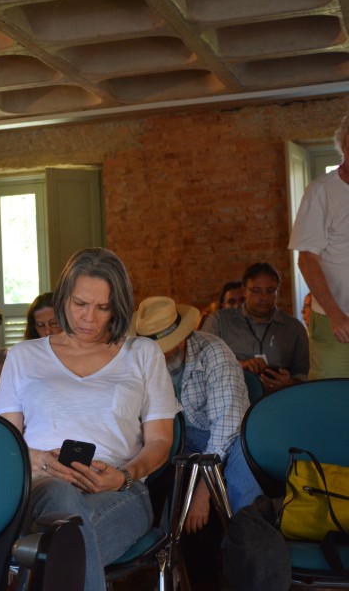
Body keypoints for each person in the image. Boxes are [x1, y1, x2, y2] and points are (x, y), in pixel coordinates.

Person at [0, 247, 179, 591]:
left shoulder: (142, 353)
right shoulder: (23, 356)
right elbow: (4, 441)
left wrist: (124, 475)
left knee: (52, 547)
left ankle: (24, 571)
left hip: (120, 492)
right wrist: (41, 461)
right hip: (39, 488)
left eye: (102, 307)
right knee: (61, 500)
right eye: (80, 304)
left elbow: (160, 441)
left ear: (118, 307)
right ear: (64, 298)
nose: (88, 318)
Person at [134, 296, 262, 522]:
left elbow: (227, 427)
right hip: (173, 437)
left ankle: (243, 542)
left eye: (165, 347)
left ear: (182, 338)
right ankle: (161, 547)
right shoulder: (139, 360)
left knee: (243, 465)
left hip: (223, 436)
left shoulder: (214, 353)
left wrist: (203, 493)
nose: (159, 355)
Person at [288, 113, 349, 378]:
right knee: (332, 401)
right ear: (345, 143)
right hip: (334, 318)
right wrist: (335, 315)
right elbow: (307, 260)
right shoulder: (321, 191)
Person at [202, 262, 309, 393]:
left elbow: (305, 373)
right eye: (256, 291)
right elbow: (202, 363)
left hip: (279, 400)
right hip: (230, 400)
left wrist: (288, 383)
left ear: (278, 291)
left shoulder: (293, 328)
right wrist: (241, 364)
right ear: (244, 291)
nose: (264, 297)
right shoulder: (219, 321)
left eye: (270, 291)